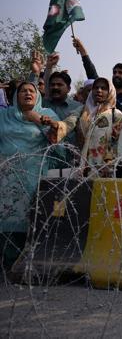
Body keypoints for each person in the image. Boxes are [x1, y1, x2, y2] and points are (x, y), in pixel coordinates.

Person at [0, 82, 59, 269]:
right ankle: (6, 263)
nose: (27, 93)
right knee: (5, 216)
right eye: (23, 91)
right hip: (6, 175)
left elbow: (57, 143)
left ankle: (27, 265)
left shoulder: (47, 114)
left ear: (38, 95)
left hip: (33, 174)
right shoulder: (5, 115)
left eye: (31, 91)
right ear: (16, 96)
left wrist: (37, 119)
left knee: (30, 217)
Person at [76, 78, 122, 177]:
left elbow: (120, 142)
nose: (99, 90)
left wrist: (110, 161)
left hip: (106, 167)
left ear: (110, 91)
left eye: (103, 88)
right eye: (96, 88)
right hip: (84, 164)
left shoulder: (116, 115)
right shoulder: (85, 113)